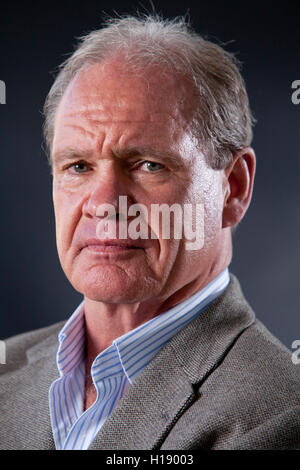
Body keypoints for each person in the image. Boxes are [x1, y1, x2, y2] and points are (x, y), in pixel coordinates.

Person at [1, 14, 299, 451]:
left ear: (233, 187)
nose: (104, 203)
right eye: (78, 166)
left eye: (148, 165)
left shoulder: (277, 418)